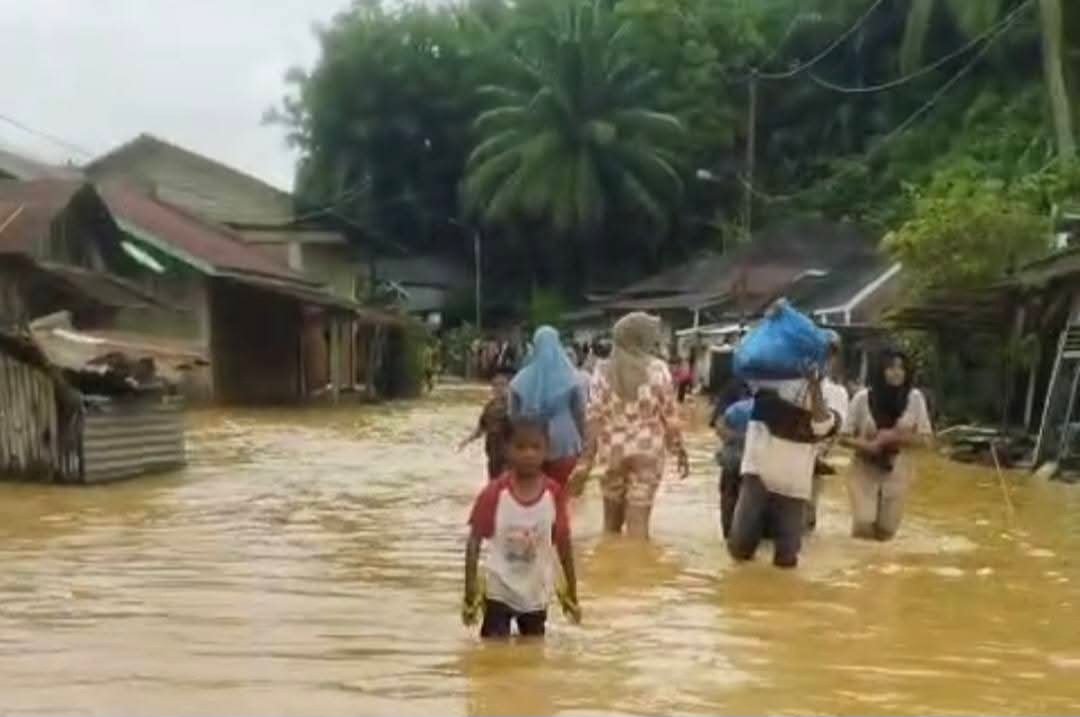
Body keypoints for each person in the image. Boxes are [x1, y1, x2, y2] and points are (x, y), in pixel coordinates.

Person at [575, 312, 690, 539]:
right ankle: (638, 560)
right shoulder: (658, 369)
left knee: (610, 527)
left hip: (612, 452)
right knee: (638, 527)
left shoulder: (602, 370)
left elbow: (594, 417)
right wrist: (679, 449)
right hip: (647, 452)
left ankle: (608, 561)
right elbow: (669, 416)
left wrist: (586, 460)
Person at [463, 418, 580, 639]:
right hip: (499, 590)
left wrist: (571, 591)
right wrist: (470, 590)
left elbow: (564, 544)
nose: (528, 454)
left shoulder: (553, 495)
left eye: (535, 447)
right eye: (520, 447)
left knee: (533, 649)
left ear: (547, 450)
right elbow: (474, 541)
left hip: (535, 592)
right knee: (494, 650)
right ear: (506, 450)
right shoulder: (494, 493)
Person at [727, 362, 842, 569]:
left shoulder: (835, 393)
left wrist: (814, 386)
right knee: (740, 546)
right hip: (757, 470)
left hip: (795, 481)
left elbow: (823, 427)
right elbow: (747, 370)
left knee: (787, 555)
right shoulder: (771, 376)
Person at [840, 348, 933, 541]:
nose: (896, 372)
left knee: (886, 532)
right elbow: (842, 437)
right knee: (863, 526)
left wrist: (894, 437)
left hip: (898, 471)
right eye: (890, 368)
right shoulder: (862, 398)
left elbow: (926, 440)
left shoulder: (914, 399)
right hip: (864, 470)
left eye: (901, 368)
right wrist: (867, 446)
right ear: (880, 371)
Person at [509, 326, 587, 487]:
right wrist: (585, 444)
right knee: (563, 492)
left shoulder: (519, 380)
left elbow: (513, 418)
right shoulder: (572, 378)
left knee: (531, 491)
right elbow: (580, 414)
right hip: (565, 444)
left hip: (529, 443)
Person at [806, 331, 851, 533]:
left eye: (828, 355)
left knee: (803, 523)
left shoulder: (837, 393)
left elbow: (833, 429)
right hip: (780, 462)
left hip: (812, 465)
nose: (822, 359)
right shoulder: (787, 385)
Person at [458, 368, 514, 480]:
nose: (498, 388)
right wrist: (467, 440)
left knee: (504, 484)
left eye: (502, 384)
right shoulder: (489, 407)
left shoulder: (513, 407)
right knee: (493, 483)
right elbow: (481, 428)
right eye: (495, 385)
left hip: (508, 457)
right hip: (493, 455)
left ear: (509, 387)